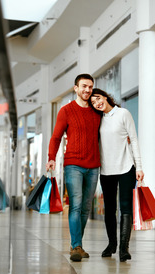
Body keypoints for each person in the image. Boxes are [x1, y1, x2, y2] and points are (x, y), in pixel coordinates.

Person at [46, 73, 101, 262]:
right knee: (76, 205)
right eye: (84, 86)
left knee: (86, 208)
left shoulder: (97, 111)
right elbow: (56, 137)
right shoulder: (66, 110)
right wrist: (51, 157)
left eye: (90, 87)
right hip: (73, 165)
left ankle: (76, 244)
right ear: (75, 88)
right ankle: (76, 245)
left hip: (93, 165)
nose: (87, 90)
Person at [90, 88, 144, 262]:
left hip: (126, 167)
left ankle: (124, 248)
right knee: (109, 210)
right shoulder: (97, 119)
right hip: (106, 170)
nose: (96, 103)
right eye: (93, 102)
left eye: (97, 98)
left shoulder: (123, 113)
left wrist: (139, 167)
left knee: (126, 208)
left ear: (105, 97)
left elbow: (134, 139)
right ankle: (112, 243)